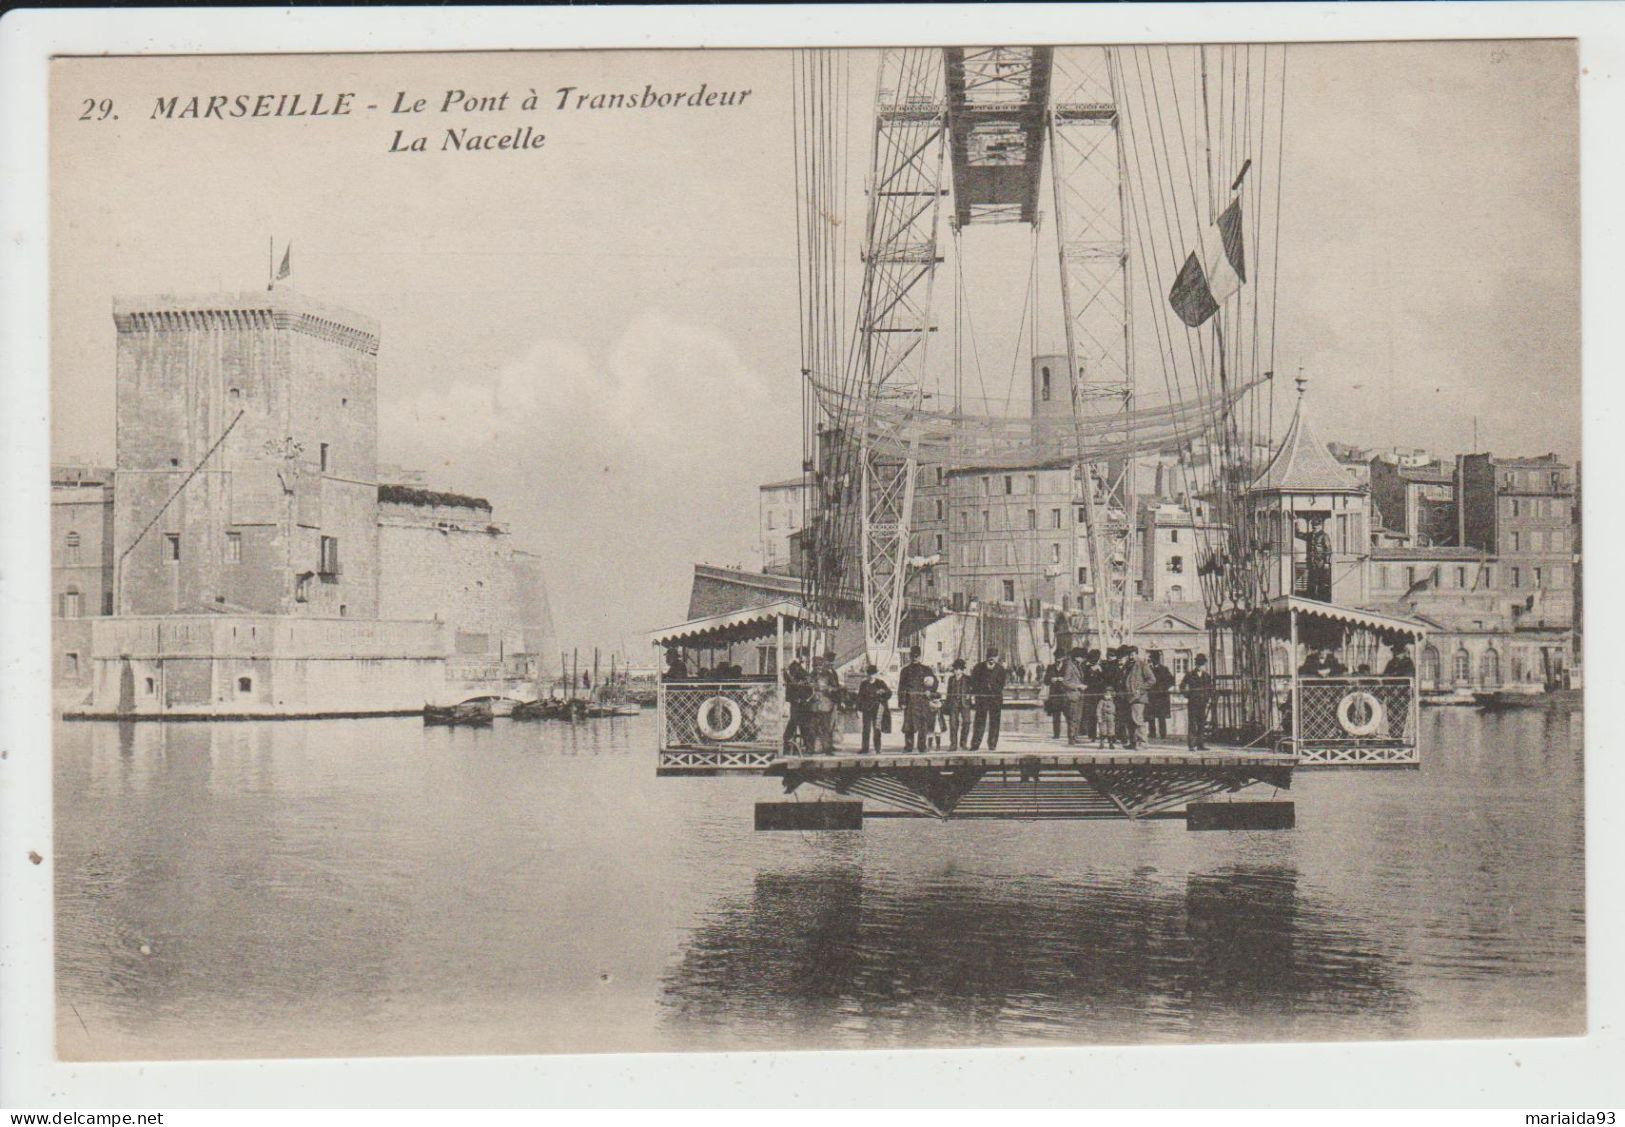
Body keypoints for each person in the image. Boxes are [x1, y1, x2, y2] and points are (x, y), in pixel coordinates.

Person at [897, 646, 939, 753]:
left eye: (917, 656)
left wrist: (930, 690)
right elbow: (901, 687)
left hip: (922, 701)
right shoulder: (905, 671)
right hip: (910, 701)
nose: (915, 658)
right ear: (910, 656)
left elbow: (935, 682)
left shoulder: (926, 670)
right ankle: (908, 746)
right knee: (908, 725)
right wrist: (901, 702)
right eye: (913, 656)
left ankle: (922, 747)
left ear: (920, 656)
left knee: (923, 725)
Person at [968, 647, 1008, 751]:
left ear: (997, 658)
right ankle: (975, 744)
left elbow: (1002, 684)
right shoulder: (978, 667)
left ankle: (992, 744)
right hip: (982, 699)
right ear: (986, 657)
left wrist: (993, 687)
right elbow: (973, 682)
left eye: (994, 657)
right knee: (979, 721)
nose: (992, 659)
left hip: (995, 699)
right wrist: (982, 687)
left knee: (995, 722)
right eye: (990, 657)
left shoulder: (1001, 669)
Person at [805, 651, 841, 755]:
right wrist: (810, 687)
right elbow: (806, 689)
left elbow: (836, 688)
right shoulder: (811, 676)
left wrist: (828, 689)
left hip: (826, 705)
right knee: (812, 729)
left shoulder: (828, 675)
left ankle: (827, 749)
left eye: (819, 666)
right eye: (815, 666)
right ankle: (810, 749)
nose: (818, 668)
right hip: (814, 705)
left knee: (826, 728)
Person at [1122, 645, 1154, 750]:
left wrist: (1140, 690)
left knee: (1138, 720)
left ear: (1136, 654)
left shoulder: (1142, 664)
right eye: (1129, 655)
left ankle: (1143, 743)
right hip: (1129, 697)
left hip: (1138, 698)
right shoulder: (1127, 665)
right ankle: (1133, 742)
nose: (1130, 657)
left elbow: (1151, 680)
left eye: (1132, 654)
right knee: (1130, 721)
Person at [856, 664, 892, 753]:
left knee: (877, 729)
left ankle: (877, 748)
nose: (871, 676)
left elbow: (889, 693)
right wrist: (858, 708)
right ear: (867, 674)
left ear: (876, 674)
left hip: (877, 708)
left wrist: (883, 692)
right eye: (869, 674)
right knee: (866, 729)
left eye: (873, 674)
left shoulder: (880, 683)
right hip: (867, 709)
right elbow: (860, 697)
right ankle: (865, 748)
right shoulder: (864, 684)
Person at [1181, 653, 1213, 750]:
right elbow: (1182, 686)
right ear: (1196, 664)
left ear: (1204, 665)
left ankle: (1200, 744)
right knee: (1192, 723)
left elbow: (1210, 688)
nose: (1200, 666)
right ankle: (1191, 744)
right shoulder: (1190, 675)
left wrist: (1207, 697)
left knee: (1201, 723)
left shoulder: (1207, 676)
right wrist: (1187, 695)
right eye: (1198, 664)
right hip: (1193, 702)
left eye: (1202, 664)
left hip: (1203, 702)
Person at [782, 649, 811, 755]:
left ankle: (803, 745)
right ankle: (788, 744)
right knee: (796, 722)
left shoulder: (797, 668)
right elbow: (796, 682)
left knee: (799, 723)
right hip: (797, 700)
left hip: (800, 699)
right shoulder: (795, 667)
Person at [1061, 647, 1089, 745]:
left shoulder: (1078, 665)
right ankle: (1072, 738)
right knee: (1073, 717)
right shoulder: (1070, 666)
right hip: (1072, 695)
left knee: (1078, 717)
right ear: (1077, 657)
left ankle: (1075, 736)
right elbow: (1065, 682)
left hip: (1079, 695)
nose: (1084, 659)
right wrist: (1078, 686)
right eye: (1082, 657)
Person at [945, 658, 972, 750]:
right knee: (953, 724)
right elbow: (948, 692)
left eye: (959, 669)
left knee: (967, 722)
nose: (957, 671)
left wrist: (970, 695)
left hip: (965, 703)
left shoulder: (968, 679)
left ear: (962, 669)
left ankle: (963, 743)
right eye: (955, 669)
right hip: (953, 704)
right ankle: (953, 744)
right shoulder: (951, 679)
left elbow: (973, 689)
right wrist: (947, 704)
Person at [1147, 650, 1175, 740]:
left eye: (1153, 659)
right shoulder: (1148, 669)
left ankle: (1163, 734)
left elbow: (1171, 681)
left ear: (1157, 659)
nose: (1152, 661)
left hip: (1161, 697)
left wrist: (1163, 688)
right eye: (1151, 659)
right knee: (1151, 716)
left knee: (1161, 716)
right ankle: (1152, 733)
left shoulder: (1164, 669)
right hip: (1151, 696)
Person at [1043, 657, 1068, 739]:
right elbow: (1045, 681)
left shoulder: (1067, 667)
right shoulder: (1050, 667)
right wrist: (1050, 679)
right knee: (1055, 715)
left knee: (1068, 715)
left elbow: (1071, 679)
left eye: (1060, 661)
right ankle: (1056, 734)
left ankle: (1071, 735)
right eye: (1057, 660)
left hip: (1064, 694)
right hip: (1054, 695)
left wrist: (1063, 679)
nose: (1058, 662)